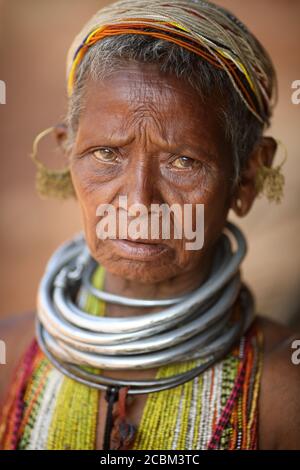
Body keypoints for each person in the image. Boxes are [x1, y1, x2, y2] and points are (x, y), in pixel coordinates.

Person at [1, 0, 299, 451]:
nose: (139, 203)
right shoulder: (10, 362)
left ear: (249, 176)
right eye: (106, 153)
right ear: (67, 153)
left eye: (183, 162)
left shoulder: (283, 393)